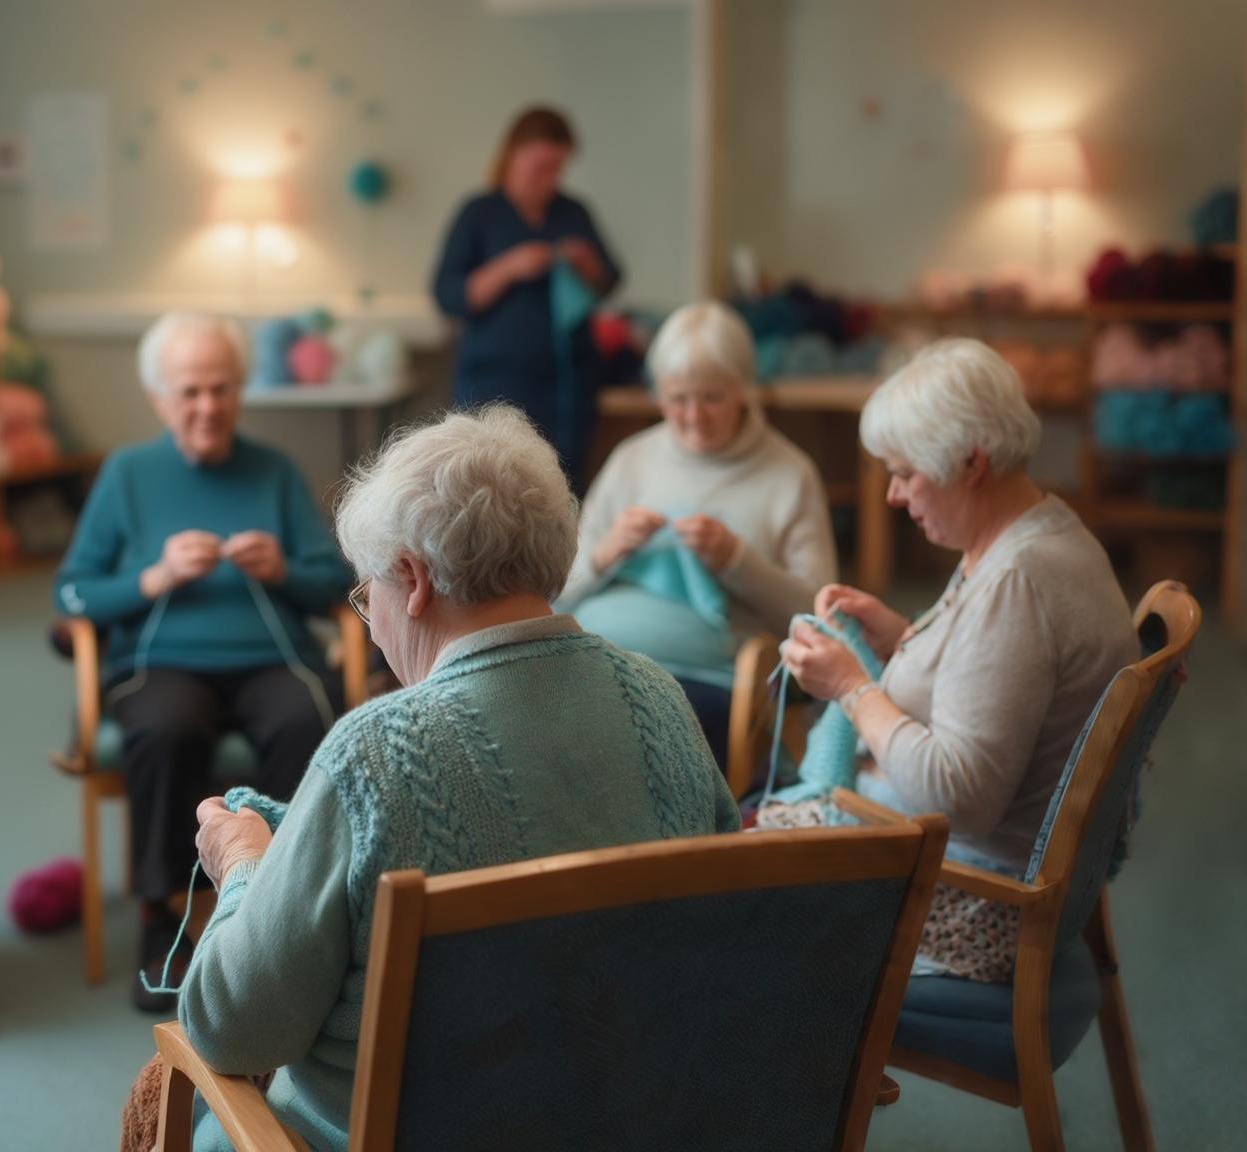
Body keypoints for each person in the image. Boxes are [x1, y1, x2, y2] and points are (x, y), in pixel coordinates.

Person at [170, 405, 738, 1152]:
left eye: (363, 591)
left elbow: (231, 1030)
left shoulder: (374, 754)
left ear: (411, 579)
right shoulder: (659, 697)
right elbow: (725, 935)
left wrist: (242, 866)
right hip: (630, 1121)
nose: (370, 621)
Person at [53, 312, 354, 1012]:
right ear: (160, 398)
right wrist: (152, 579)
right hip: (161, 663)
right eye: (189, 392)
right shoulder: (127, 473)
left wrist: (282, 567)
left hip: (268, 657)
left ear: (241, 391)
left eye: (221, 389)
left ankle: (285, 912)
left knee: (303, 718)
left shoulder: (274, 471)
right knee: (164, 727)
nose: (207, 407)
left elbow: (333, 587)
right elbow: (71, 592)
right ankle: (162, 920)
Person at [778, 339, 1138, 874]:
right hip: (959, 853)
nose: (893, 496)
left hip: (960, 884)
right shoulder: (1038, 531)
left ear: (972, 463)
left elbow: (960, 797)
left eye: (904, 473)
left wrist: (851, 690)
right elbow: (997, 673)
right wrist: (900, 637)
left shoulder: (1018, 582)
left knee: (723, 856)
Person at [560, 301, 837, 766]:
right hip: (592, 661)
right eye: (676, 398)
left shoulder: (789, 475)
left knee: (625, 730)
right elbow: (555, 594)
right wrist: (606, 555)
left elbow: (817, 616)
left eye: (711, 397)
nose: (693, 415)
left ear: (744, 390)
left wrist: (737, 563)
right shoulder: (632, 459)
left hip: (711, 680)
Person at [430, 104, 623, 485]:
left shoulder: (573, 212)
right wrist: (509, 268)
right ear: (512, 157)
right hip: (493, 384)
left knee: (565, 485)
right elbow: (447, 295)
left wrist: (586, 265)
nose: (550, 179)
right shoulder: (478, 213)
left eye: (558, 168)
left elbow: (611, 280)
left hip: (567, 385)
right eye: (540, 167)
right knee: (491, 486)